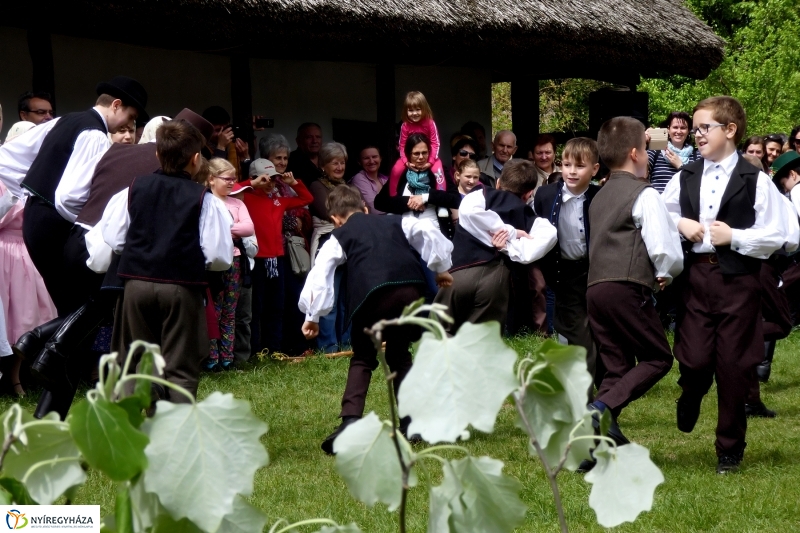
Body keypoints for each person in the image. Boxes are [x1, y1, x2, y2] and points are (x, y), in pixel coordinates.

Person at [663, 96, 791, 474]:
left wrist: (735, 237)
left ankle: (730, 449)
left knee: (734, 367)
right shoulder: (685, 175)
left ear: (729, 131)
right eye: (696, 128)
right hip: (696, 276)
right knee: (696, 357)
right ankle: (692, 390)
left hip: (739, 282)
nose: (697, 134)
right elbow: (658, 211)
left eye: (704, 128)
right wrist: (680, 224)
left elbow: (779, 234)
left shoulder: (757, 180)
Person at [298, 185, 454, 454]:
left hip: (372, 296)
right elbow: (426, 231)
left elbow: (321, 271)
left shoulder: (339, 235)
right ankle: (412, 422)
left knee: (363, 358)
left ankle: (350, 423)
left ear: (334, 218)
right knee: (400, 354)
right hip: (409, 291)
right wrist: (440, 268)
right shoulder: (398, 220)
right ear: (365, 207)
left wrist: (312, 315)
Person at [97, 119, 233, 402]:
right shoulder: (204, 200)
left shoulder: (133, 189)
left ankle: (132, 429)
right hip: (181, 286)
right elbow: (218, 257)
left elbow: (115, 237)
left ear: (158, 154)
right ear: (197, 160)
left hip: (135, 284)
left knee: (134, 360)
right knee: (180, 366)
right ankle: (174, 433)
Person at [582, 117, 684, 472]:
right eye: (647, 148)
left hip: (595, 290)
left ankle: (594, 446)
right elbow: (665, 248)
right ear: (635, 153)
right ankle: (598, 411)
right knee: (658, 358)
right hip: (626, 286)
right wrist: (665, 274)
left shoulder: (597, 197)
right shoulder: (645, 193)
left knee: (617, 367)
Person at [434, 159, 558, 334]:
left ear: (498, 182)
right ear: (529, 193)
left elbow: (468, 213)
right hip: (496, 281)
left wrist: (506, 241)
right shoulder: (530, 217)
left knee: (439, 333)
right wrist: (511, 237)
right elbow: (549, 234)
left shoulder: (479, 195)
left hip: (461, 271)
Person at [533, 138, 602, 395]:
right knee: (578, 332)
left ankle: (603, 389)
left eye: (580, 166)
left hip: (595, 273)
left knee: (598, 333)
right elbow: (534, 228)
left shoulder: (599, 197)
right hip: (564, 274)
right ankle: (584, 398)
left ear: (594, 170)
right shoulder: (546, 195)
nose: (572, 171)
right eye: (567, 164)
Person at [233, 159, 312, 355]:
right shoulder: (246, 198)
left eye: (274, 179)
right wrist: (252, 184)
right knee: (256, 308)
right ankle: (256, 350)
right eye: (266, 179)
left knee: (277, 306)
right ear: (255, 178)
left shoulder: (277, 200)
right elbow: (231, 189)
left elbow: (306, 198)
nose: (270, 183)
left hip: (277, 259)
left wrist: (292, 183)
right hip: (257, 260)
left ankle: (274, 348)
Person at [0, 126, 57, 397]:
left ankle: (20, 373)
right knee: (9, 316)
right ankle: (9, 377)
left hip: (28, 251)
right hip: (4, 252)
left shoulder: (39, 179)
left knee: (29, 316)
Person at [257, 133, 313, 356]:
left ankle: (296, 346)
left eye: (284, 158)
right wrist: (288, 219)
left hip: (291, 249)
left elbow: (306, 206)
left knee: (294, 298)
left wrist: (294, 185)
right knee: (272, 303)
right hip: (269, 251)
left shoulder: (287, 185)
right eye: (276, 158)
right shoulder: (259, 185)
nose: (281, 163)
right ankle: (272, 347)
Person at [205, 158, 254, 370]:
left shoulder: (237, 203)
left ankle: (227, 356)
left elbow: (249, 228)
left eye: (233, 179)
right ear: (211, 179)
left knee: (230, 311)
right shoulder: (206, 201)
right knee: (212, 309)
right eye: (226, 179)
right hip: (212, 264)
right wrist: (234, 227)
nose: (231, 183)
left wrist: (224, 227)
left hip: (235, 261)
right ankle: (211, 356)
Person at [307, 142, 352, 352]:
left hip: (349, 244)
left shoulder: (350, 187)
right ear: (323, 165)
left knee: (347, 299)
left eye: (342, 162)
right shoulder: (317, 185)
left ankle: (346, 342)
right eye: (335, 163)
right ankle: (328, 346)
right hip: (328, 242)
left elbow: (363, 210)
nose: (339, 167)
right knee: (329, 297)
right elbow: (329, 212)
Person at [389, 92, 446, 201]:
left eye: (418, 109)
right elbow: (402, 145)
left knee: (439, 171)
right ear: (406, 111)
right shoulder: (405, 125)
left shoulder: (430, 123)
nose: (414, 113)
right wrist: (406, 162)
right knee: (396, 169)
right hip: (409, 157)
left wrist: (430, 161)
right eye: (411, 110)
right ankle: (393, 197)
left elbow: (435, 143)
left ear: (424, 109)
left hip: (428, 156)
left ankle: (441, 200)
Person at [646, 111, 700, 193]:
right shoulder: (655, 151)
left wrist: (680, 166)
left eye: (683, 128)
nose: (678, 131)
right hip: (658, 204)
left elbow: (699, 183)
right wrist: (642, 141)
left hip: (684, 204)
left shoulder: (697, 155)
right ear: (668, 129)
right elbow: (639, 171)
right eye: (675, 127)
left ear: (688, 131)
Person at [201, 106, 250, 178]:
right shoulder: (200, 148)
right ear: (207, 129)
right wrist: (221, 147)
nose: (222, 134)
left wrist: (245, 158)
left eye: (225, 129)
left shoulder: (234, 143)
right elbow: (212, 176)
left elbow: (249, 175)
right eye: (217, 130)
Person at [350, 146, 388, 214]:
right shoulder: (359, 178)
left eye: (374, 157)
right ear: (359, 162)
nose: (371, 161)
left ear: (380, 159)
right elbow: (374, 208)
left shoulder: (384, 179)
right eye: (366, 158)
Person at [449, 158, 481, 225]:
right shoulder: (451, 197)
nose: (472, 181)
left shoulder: (482, 196)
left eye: (475, 177)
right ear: (458, 175)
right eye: (468, 176)